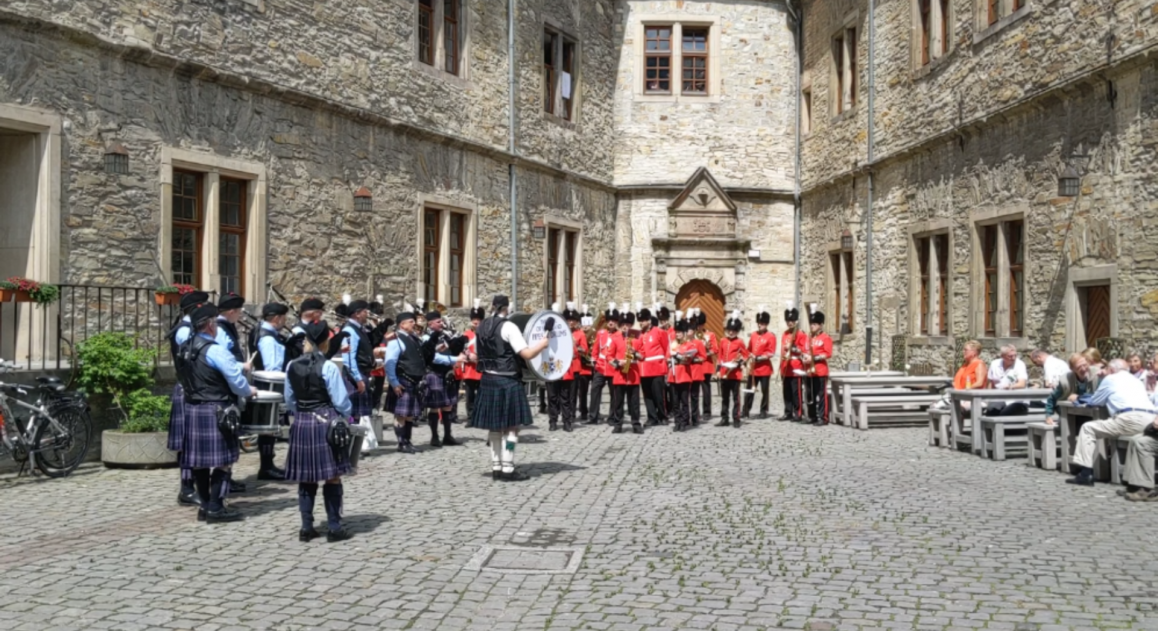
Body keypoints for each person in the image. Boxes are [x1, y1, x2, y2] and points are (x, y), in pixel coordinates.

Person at [175, 303, 257, 523]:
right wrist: (249, 390)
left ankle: (205, 507)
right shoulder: (215, 349)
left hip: (193, 408)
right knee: (223, 461)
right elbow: (237, 382)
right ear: (211, 325)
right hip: (217, 409)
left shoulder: (184, 347)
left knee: (200, 462)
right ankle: (216, 508)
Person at [283, 321, 354, 542]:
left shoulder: (291, 365)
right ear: (325, 342)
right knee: (332, 477)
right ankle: (334, 527)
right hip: (326, 421)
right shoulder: (329, 366)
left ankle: (306, 528)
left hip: (302, 422)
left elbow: (289, 400)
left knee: (306, 478)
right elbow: (341, 402)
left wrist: (302, 413)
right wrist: (344, 415)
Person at [471, 294, 550, 481]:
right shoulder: (509, 326)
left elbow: (474, 354)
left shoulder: (481, 326)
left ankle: (496, 467)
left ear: (492, 307)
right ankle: (508, 467)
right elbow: (527, 354)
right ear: (507, 308)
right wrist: (542, 344)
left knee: (495, 428)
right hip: (507, 381)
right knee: (512, 429)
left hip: (487, 380)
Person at [1066, 358, 1158, 486]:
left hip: (1130, 419)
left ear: (1111, 369)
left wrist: (1078, 398)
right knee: (1134, 438)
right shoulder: (1136, 381)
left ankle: (1085, 474)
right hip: (1151, 419)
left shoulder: (1110, 379)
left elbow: (1095, 401)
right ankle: (1130, 480)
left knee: (1088, 428)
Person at [167, 290, 210, 507]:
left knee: (191, 441)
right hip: (189, 389)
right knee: (187, 441)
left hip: (193, 389)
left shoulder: (189, 328)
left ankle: (194, 485)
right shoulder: (184, 332)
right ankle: (186, 488)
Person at [250, 302, 289, 480]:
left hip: (266, 387)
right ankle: (266, 467)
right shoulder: (268, 338)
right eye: (284, 318)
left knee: (270, 429)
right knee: (268, 429)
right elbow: (272, 368)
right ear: (276, 318)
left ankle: (268, 465)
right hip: (270, 387)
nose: (285, 321)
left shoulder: (262, 331)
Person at [420, 309, 466, 447]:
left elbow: (451, 349)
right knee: (434, 407)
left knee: (447, 406)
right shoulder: (426, 338)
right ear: (430, 324)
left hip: (447, 374)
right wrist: (455, 359)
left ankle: (447, 435)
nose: (442, 323)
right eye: (438, 321)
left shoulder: (444, 335)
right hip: (434, 373)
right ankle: (434, 437)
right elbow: (435, 358)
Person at [383, 311, 424, 454]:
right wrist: (394, 383)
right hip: (402, 381)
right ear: (402, 324)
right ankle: (401, 443)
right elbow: (389, 364)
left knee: (410, 414)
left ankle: (408, 441)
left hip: (413, 381)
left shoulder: (414, 339)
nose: (414, 324)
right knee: (401, 414)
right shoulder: (396, 341)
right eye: (411, 321)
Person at [608, 308, 643, 434]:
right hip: (619, 375)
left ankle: (636, 424)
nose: (625, 327)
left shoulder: (636, 339)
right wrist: (618, 363)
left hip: (633, 375)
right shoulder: (615, 339)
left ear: (631, 325)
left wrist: (635, 352)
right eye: (622, 324)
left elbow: (642, 356)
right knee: (618, 402)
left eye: (627, 324)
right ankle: (618, 424)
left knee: (634, 402)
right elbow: (609, 357)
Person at [1043, 353, 1100, 425]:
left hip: (1092, 412)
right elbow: (1052, 398)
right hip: (1071, 414)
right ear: (1072, 369)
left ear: (1088, 363)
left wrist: (1079, 398)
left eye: (1085, 365)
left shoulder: (1097, 374)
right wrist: (1048, 415)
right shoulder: (1065, 381)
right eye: (1078, 367)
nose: (1083, 369)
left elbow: (1100, 395)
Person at [637, 304, 669, 427]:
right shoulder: (639, 334)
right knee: (647, 395)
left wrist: (666, 364)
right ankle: (652, 417)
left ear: (649, 320)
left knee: (658, 394)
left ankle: (662, 415)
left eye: (644, 320)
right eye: (640, 321)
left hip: (657, 367)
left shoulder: (659, 332)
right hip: (644, 368)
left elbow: (666, 348)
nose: (642, 323)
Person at [744, 305, 777, 419]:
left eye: (762, 323)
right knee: (749, 389)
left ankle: (763, 409)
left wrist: (759, 357)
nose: (760, 325)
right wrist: (748, 356)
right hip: (753, 368)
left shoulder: (770, 336)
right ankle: (746, 409)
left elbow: (771, 352)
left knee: (764, 391)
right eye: (759, 323)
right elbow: (749, 349)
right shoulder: (753, 335)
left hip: (764, 368)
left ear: (766, 324)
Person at [588, 304, 619, 425]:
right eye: (609, 320)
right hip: (600, 367)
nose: (611, 322)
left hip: (613, 367)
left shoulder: (619, 334)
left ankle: (612, 417)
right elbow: (596, 348)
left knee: (614, 394)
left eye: (613, 320)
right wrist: (594, 361)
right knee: (595, 390)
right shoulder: (601, 333)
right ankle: (593, 416)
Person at [716, 311, 749, 428]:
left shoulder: (740, 342)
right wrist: (718, 370)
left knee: (736, 398)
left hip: (735, 374)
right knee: (724, 398)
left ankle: (736, 418)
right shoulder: (723, 341)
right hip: (725, 373)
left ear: (737, 331)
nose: (730, 332)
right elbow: (720, 356)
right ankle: (724, 418)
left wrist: (739, 362)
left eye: (733, 330)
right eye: (729, 330)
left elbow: (745, 356)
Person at [546, 303, 574, 432]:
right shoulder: (545, 330)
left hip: (563, 368)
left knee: (565, 398)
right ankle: (553, 421)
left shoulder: (566, 333)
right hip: (550, 366)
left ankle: (567, 421)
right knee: (552, 397)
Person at [803, 310, 833, 425]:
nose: (812, 326)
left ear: (820, 325)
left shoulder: (825, 338)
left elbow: (828, 353)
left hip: (820, 370)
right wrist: (804, 356)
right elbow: (805, 350)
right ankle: (812, 416)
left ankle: (823, 417)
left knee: (821, 395)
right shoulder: (809, 338)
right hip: (810, 371)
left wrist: (813, 358)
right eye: (811, 323)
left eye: (815, 324)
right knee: (810, 394)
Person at [459, 299, 486, 421]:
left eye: (478, 319)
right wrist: (469, 356)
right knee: (469, 395)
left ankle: (480, 416)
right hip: (470, 369)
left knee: (482, 395)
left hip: (481, 368)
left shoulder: (486, 333)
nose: (476, 322)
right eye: (474, 319)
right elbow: (461, 349)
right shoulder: (466, 334)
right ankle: (470, 417)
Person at [669, 316, 698, 432]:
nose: (678, 334)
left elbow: (687, 359)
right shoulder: (672, 344)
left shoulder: (689, 345)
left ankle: (685, 421)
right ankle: (677, 421)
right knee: (675, 402)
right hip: (674, 375)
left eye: (680, 332)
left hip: (684, 375)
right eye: (677, 332)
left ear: (684, 333)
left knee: (684, 401)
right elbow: (668, 357)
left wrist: (677, 356)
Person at [779, 305, 808, 422]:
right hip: (786, 367)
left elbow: (804, 351)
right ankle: (788, 411)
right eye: (788, 321)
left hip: (796, 367)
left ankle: (798, 412)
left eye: (791, 321)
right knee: (786, 392)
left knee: (796, 392)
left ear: (795, 321)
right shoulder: (785, 334)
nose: (789, 323)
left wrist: (793, 348)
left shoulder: (801, 334)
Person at [985, 345, 1030, 416]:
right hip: (999, 397)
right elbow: (990, 383)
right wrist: (989, 398)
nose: (1013, 358)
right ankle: (988, 427)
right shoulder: (995, 364)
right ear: (1002, 356)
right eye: (1010, 356)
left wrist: (1010, 386)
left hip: (1017, 400)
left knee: (1003, 414)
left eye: (1015, 355)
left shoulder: (1020, 364)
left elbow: (1022, 384)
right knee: (991, 410)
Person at [695, 310, 719, 421]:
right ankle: (695, 411)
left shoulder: (710, 335)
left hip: (706, 365)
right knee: (694, 390)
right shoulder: (692, 335)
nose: (699, 327)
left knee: (706, 389)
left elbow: (715, 349)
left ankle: (707, 411)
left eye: (700, 324)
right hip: (695, 365)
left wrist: (705, 352)